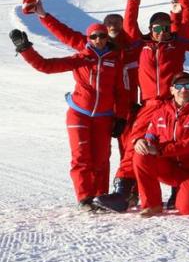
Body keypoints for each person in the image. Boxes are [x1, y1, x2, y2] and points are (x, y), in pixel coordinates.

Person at [11, 24, 126, 209]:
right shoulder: (80, 58)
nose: (98, 40)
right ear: (89, 39)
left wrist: (120, 117)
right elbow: (46, 66)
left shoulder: (115, 60)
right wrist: (25, 49)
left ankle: (100, 197)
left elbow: (120, 92)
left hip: (104, 117)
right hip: (79, 114)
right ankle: (85, 198)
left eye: (102, 36)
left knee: (101, 159)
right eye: (94, 36)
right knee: (81, 157)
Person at [128, 72, 189, 216]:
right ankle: (152, 204)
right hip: (168, 167)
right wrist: (140, 141)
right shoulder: (160, 112)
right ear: (172, 90)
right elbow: (150, 137)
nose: (183, 90)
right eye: (179, 86)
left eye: (187, 85)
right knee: (141, 154)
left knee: (187, 209)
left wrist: (161, 150)